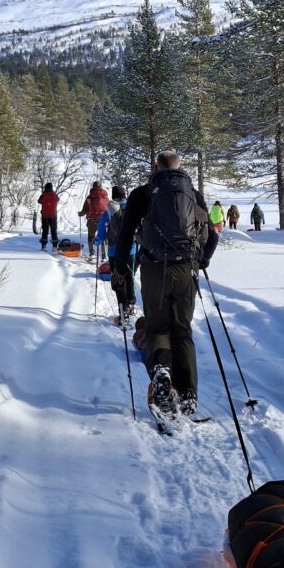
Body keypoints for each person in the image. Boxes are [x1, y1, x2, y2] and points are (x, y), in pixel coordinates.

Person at [113, 151, 218, 419]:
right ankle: (188, 394)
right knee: (182, 331)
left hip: (154, 269)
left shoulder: (143, 194)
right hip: (186, 270)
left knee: (158, 326)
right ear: (179, 167)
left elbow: (125, 235)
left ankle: (161, 370)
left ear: (156, 167)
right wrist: (202, 260)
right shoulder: (192, 194)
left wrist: (120, 270)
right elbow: (212, 237)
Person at [95, 186, 137, 322]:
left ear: (113, 196)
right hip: (132, 249)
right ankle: (131, 303)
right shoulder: (133, 206)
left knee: (118, 279)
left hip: (114, 250)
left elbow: (101, 228)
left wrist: (98, 240)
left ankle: (122, 310)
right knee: (130, 277)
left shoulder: (109, 210)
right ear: (125, 195)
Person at [78, 180, 109, 256]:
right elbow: (108, 207)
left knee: (91, 236)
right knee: (102, 235)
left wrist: (81, 214)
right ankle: (103, 253)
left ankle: (91, 252)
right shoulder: (105, 197)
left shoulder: (90, 197)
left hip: (92, 219)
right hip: (103, 219)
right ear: (101, 186)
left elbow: (85, 209)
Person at [38, 183, 59, 250]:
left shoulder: (43, 195)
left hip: (45, 216)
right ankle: (55, 247)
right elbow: (58, 200)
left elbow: (39, 201)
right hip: (53, 216)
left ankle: (43, 246)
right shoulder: (54, 195)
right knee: (53, 231)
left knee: (45, 231)